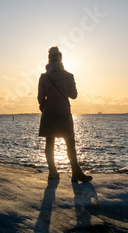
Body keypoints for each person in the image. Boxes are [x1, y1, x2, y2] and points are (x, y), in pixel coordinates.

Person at [37, 46, 92, 182]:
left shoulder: (44, 77)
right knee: (69, 143)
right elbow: (73, 95)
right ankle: (75, 171)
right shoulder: (68, 76)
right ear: (61, 58)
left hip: (48, 112)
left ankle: (52, 172)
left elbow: (40, 97)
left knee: (49, 142)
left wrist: (45, 108)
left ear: (49, 59)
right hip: (63, 111)